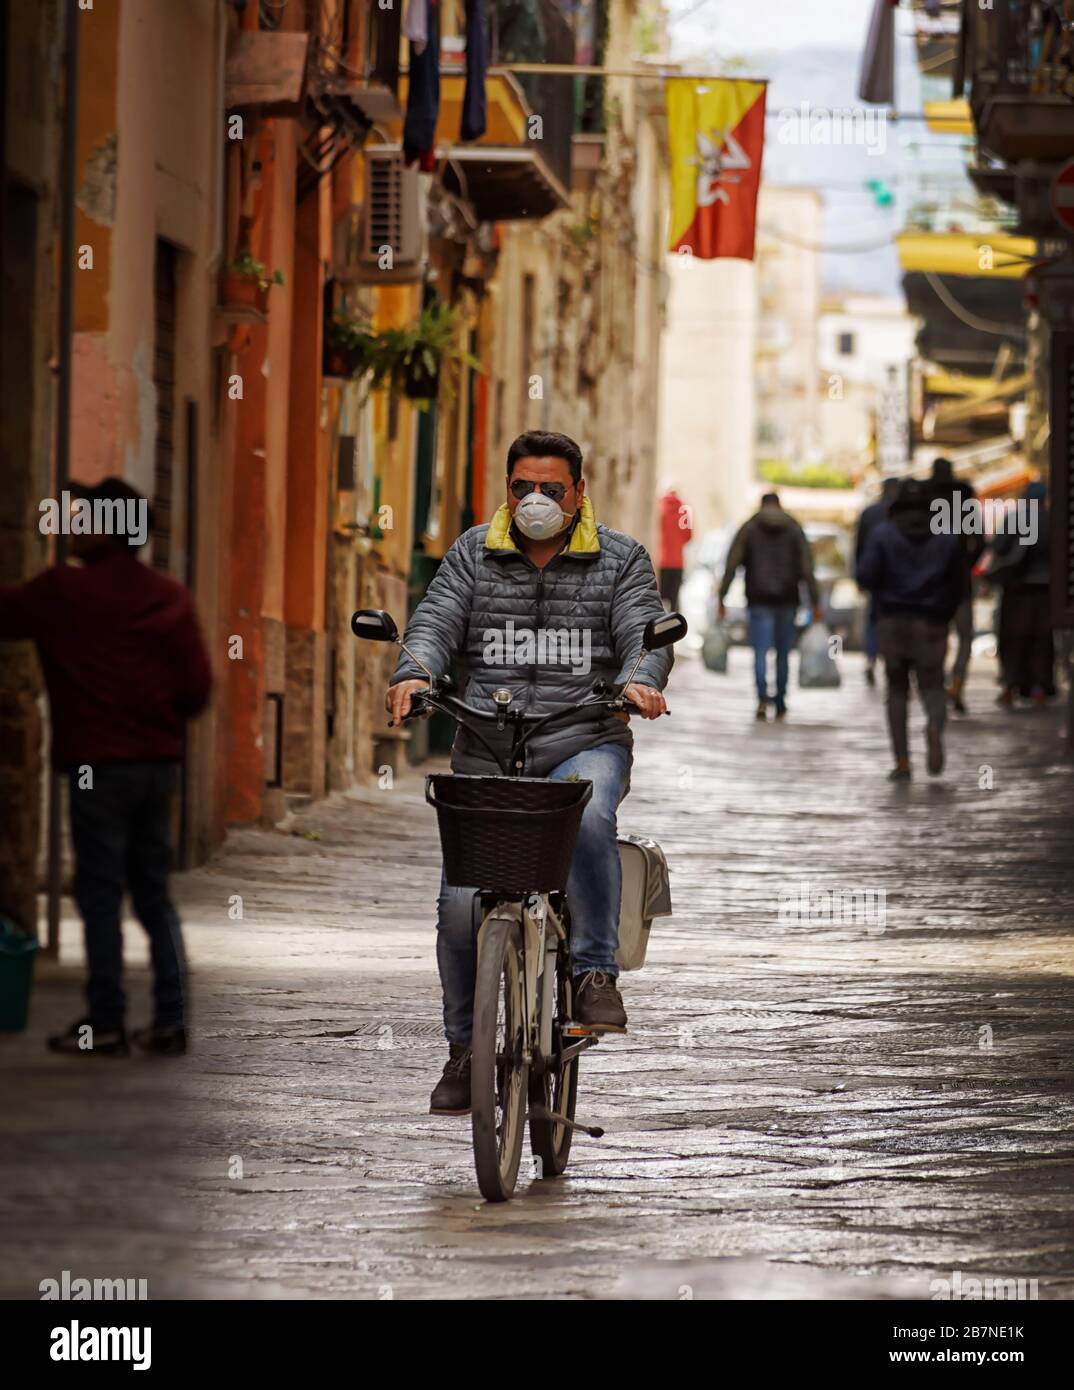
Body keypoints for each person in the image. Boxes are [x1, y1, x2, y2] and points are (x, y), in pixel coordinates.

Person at [384, 431, 672, 1115]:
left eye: (550, 488)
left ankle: (596, 972)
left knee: (593, 811)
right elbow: (434, 621)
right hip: (487, 741)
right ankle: (463, 1051)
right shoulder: (471, 553)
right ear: (506, 490)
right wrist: (415, 671)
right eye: (521, 488)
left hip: (584, 735)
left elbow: (644, 633)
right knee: (459, 905)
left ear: (577, 493)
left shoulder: (621, 559)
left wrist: (639, 679)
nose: (534, 500)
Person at [0, 479, 212, 1056]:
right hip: (156, 764)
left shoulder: (61, 592)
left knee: (98, 891)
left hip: (96, 766)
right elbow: (197, 688)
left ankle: (107, 1020)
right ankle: (171, 1020)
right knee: (153, 893)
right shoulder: (169, 596)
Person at [857, 479, 961, 780]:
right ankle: (934, 726)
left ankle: (902, 761)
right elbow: (959, 586)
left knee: (897, 691)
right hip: (931, 623)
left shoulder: (883, 534)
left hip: (892, 622)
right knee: (932, 686)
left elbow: (865, 575)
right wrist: (943, 612)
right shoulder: (946, 537)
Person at [717, 492, 820, 721]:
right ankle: (781, 701)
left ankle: (763, 698)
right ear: (779, 505)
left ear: (762, 505)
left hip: (758, 599)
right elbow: (807, 567)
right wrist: (815, 601)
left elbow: (732, 562)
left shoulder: (750, 527)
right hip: (787, 599)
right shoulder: (794, 528)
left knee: (761, 652)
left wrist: (722, 596)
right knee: (783, 654)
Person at [990, 480, 1053, 707]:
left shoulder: (1017, 518)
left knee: (1013, 637)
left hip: (1017, 589)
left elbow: (997, 548)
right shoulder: (1051, 519)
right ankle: (1039, 688)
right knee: (1042, 639)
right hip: (1046, 591)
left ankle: (1010, 686)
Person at [929, 456, 984, 714]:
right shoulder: (965, 500)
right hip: (961, 581)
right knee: (965, 637)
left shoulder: (924, 499)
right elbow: (980, 542)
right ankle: (958, 683)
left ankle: (938, 685)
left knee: (936, 636)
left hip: (932, 582)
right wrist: (966, 562)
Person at [855, 477, 899, 687]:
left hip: (875, 576)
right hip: (899, 578)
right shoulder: (905, 515)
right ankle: (892, 661)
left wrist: (860, 577)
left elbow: (859, 547)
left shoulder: (870, 513)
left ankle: (871, 660)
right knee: (893, 619)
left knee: (873, 620)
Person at [657, 485, 693, 610]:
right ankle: (675, 626)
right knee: (674, 599)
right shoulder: (683, 510)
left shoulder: (660, 507)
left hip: (662, 560)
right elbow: (688, 536)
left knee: (660, 598)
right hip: (678, 562)